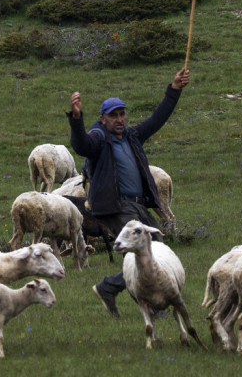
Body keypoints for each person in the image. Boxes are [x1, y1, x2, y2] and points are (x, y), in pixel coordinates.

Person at [66, 68, 190, 318]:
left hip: (135, 205)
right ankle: (153, 309)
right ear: (103, 119)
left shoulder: (132, 136)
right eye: (114, 116)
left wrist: (174, 89)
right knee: (150, 247)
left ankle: (108, 287)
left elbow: (157, 119)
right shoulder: (99, 138)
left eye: (122, 114)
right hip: (114, 205)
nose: (120, 119)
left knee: (157, 244)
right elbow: (82, 146)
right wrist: (76, 120)